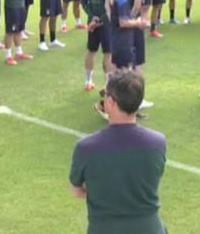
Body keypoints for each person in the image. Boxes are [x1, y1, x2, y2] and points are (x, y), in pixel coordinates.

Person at [69, 70, 167, 234]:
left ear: (110, 102)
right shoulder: (158, 142)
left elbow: (76, 189)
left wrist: (100, 190)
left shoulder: (85, 147)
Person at [82, 0, 121, 91]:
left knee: (90, 50)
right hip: (106, 22)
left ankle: (88, 81)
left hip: (92, 21)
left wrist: (93, 17)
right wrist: (100, 20)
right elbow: (111, 5)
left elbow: (83, 1)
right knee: (108, 53)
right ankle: (108, 85)